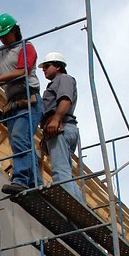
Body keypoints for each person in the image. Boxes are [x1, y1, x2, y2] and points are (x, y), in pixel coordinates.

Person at [0, 13, 41, 195]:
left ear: (15, 31)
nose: (3, 39)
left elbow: (22, 71)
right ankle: (36, 183)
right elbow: (2, 75)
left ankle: (21, 180)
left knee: (19, 137)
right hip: (13, 104)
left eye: (5, 34)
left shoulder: (26, 47)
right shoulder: (1, 52)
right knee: (21, 141)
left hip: (29, 100)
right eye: (0, 36)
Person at [39, 52, 82, 197]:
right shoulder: (58, 81)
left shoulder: (64, 79)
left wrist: (56, 119)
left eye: (46, 66)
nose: (43, 69)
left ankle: (71, 205)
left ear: (58, 66)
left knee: (60, 171)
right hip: (62, 128)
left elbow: (65, 99)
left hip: (61, 128)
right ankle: (78, 204)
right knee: (65, 171)